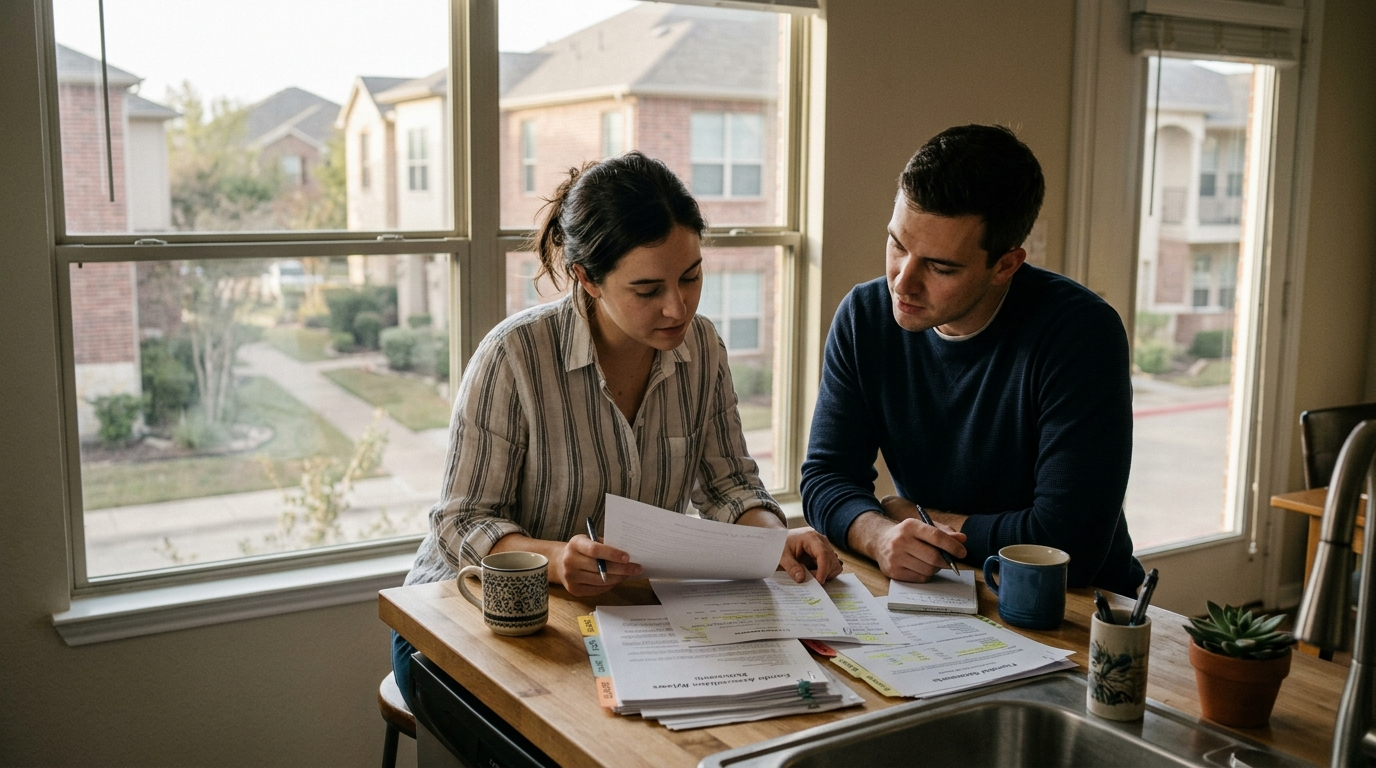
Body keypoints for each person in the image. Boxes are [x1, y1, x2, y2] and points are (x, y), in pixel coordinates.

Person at [394, 151, 841, 705]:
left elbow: (729, 486)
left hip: (614, 621)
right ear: (588, 279)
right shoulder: (514, 356)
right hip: (470, 618)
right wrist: (556, 560)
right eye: (648, 290)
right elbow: (461, 521)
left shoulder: (702, 349)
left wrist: (773, 540)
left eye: (691, 276)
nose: (678, 308)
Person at [801, 124, 1145, 597]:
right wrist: (880, 534)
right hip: (940, 594)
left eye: (940, 267)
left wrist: (920, 518)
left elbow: (1069, 545)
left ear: (1005, 265)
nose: (902, 283)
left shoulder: (1081, 334)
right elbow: (826, 476)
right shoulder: (865, 317)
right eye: (898, 245)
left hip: (1078, 607)